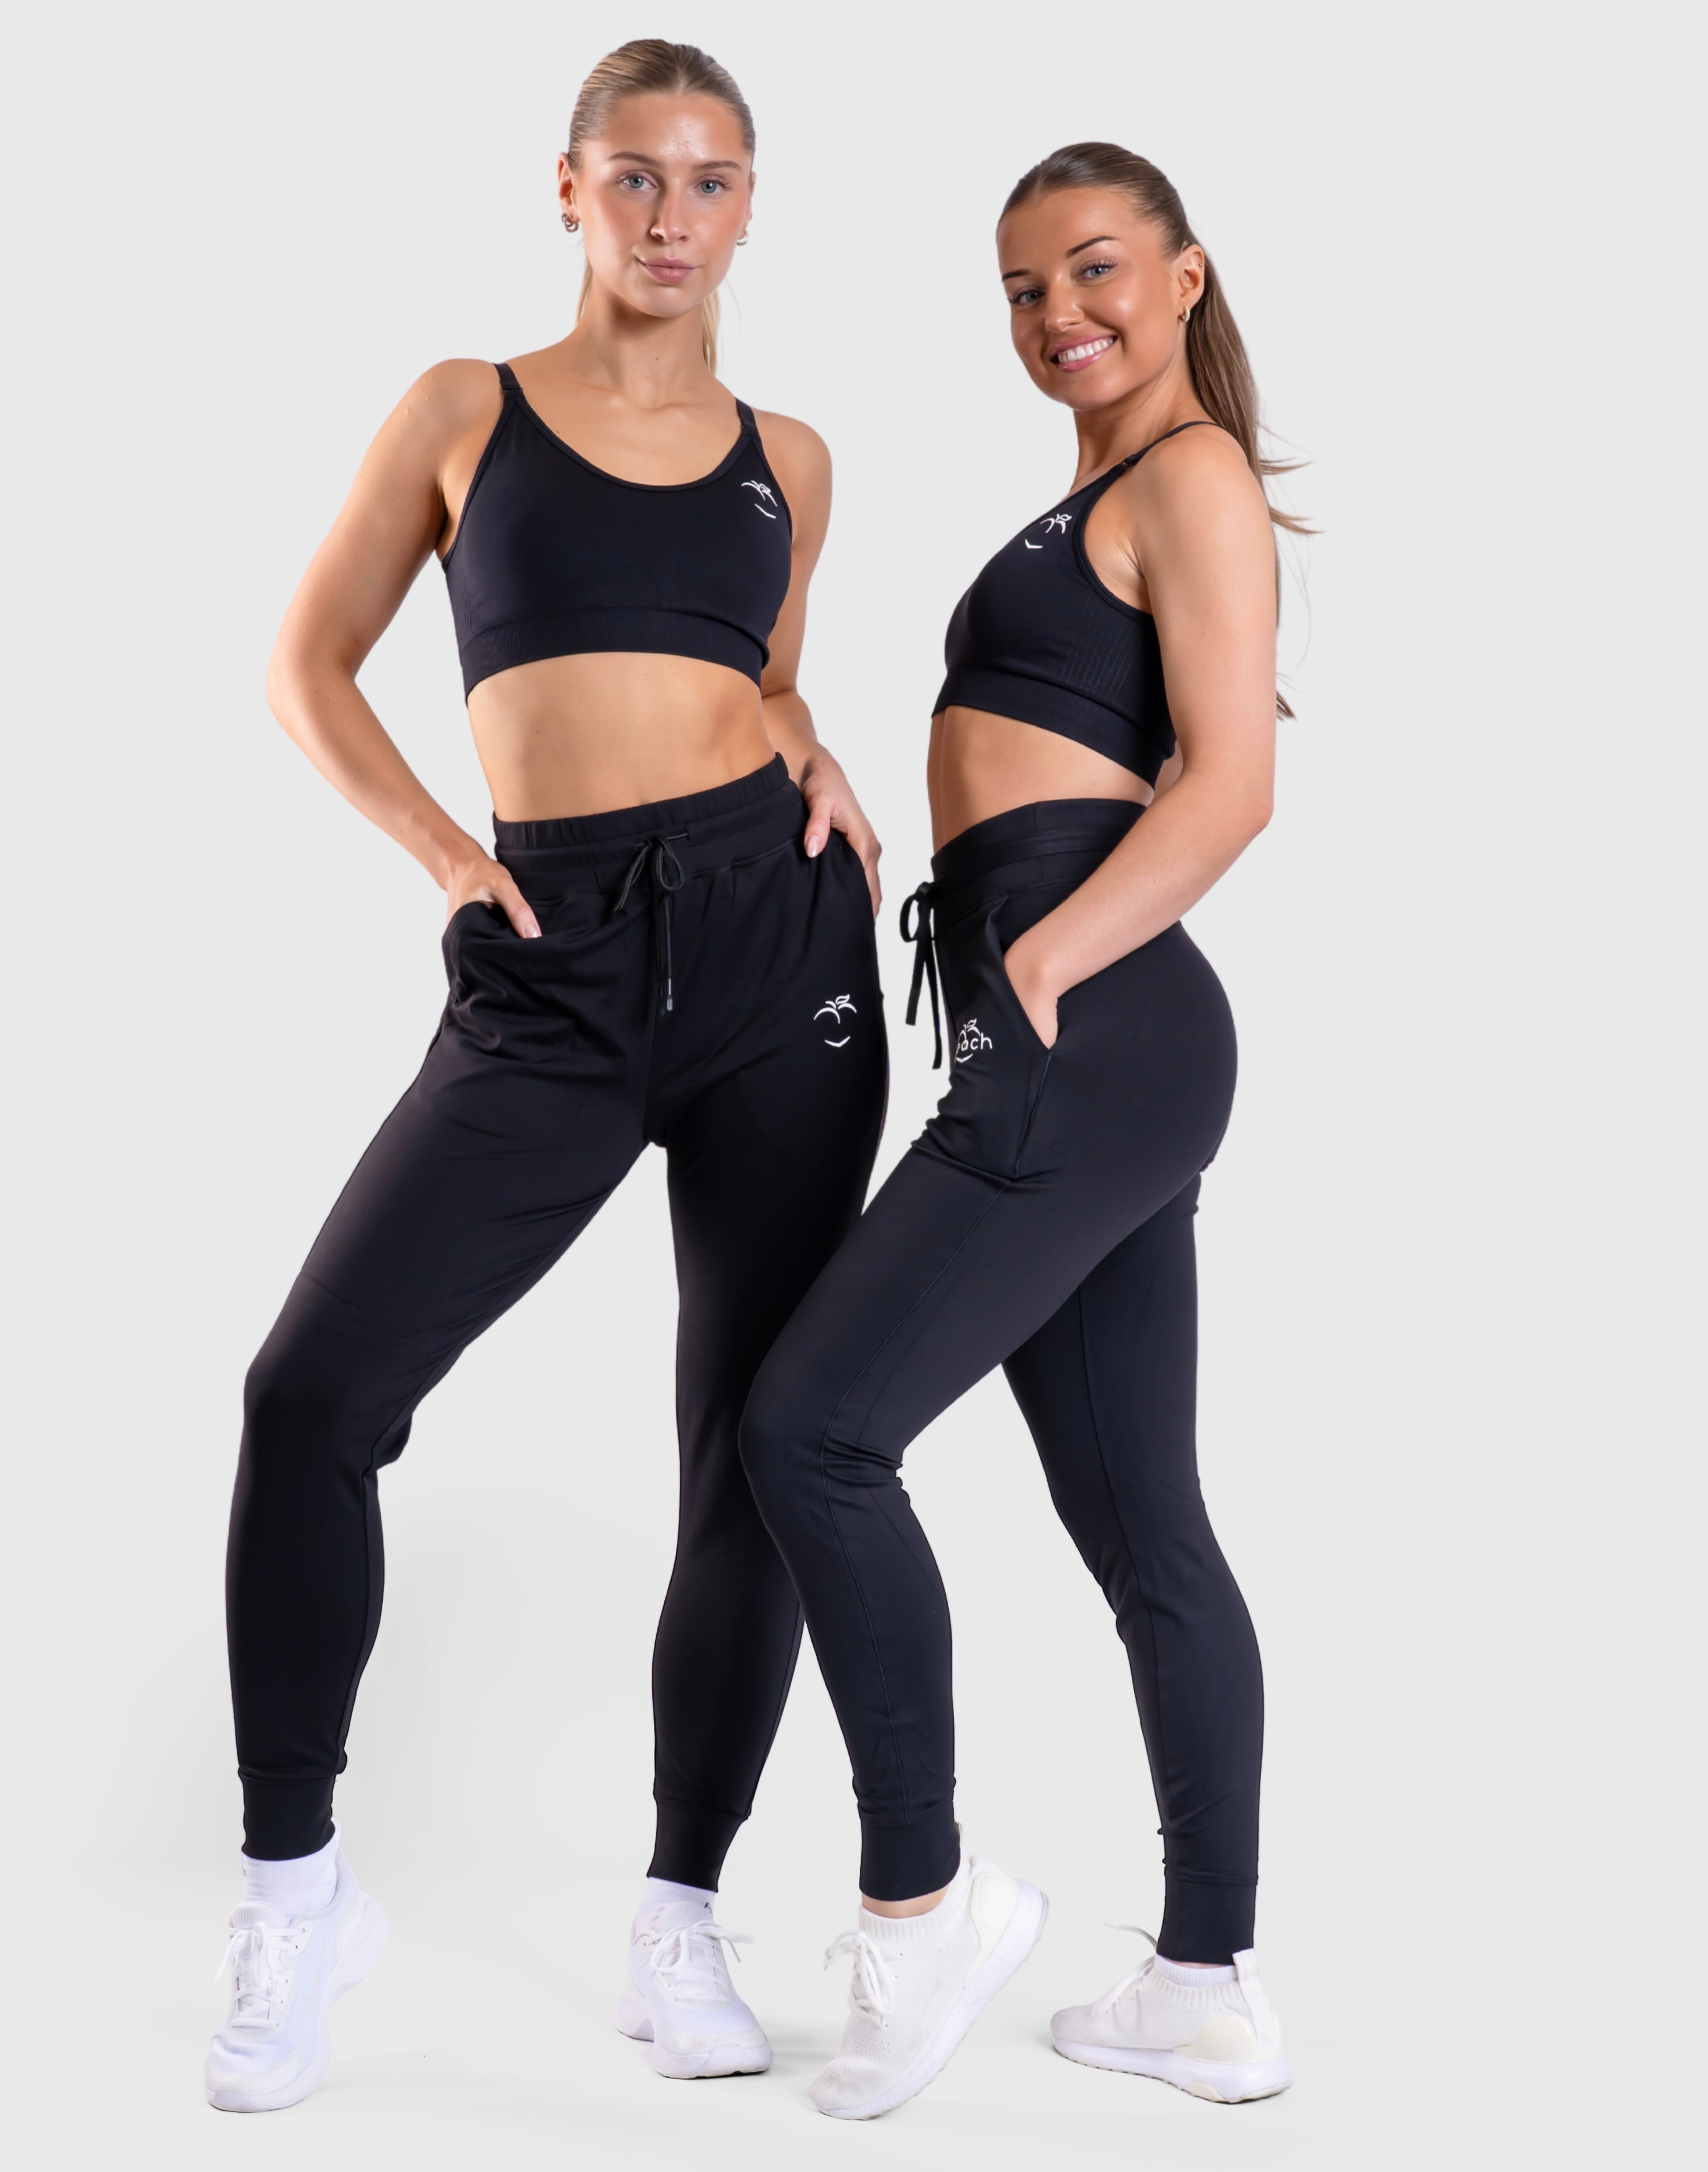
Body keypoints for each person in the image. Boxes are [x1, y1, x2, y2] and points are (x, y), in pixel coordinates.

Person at [206, 40, 887, 2113]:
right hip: (553, 960)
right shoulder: (463, 411)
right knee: (312, 1396)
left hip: (779, 955)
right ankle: (295, 1893)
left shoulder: (794, 455)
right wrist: (446, 855)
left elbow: (764, 676)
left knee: (754, 1444)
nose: (676, 215)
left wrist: (818, 753)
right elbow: (305, 663)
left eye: (714, 179)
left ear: (752, 207)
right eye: (638, 175)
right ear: (569, 189)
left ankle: (681, 1914)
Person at [740, 141, 1301, 2120]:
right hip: (1093, 1036)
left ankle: (926, 1906)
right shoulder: (1099, 494)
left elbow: (1229, 787)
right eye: (1023, 288)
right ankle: (1209, 1987)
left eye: (1096, 270)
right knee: (1144, 1524)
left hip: (1092, 1020)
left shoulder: (1193, 478)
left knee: (812, 1433)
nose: (1060, 314)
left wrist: (1042, 961)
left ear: (1185, 276)